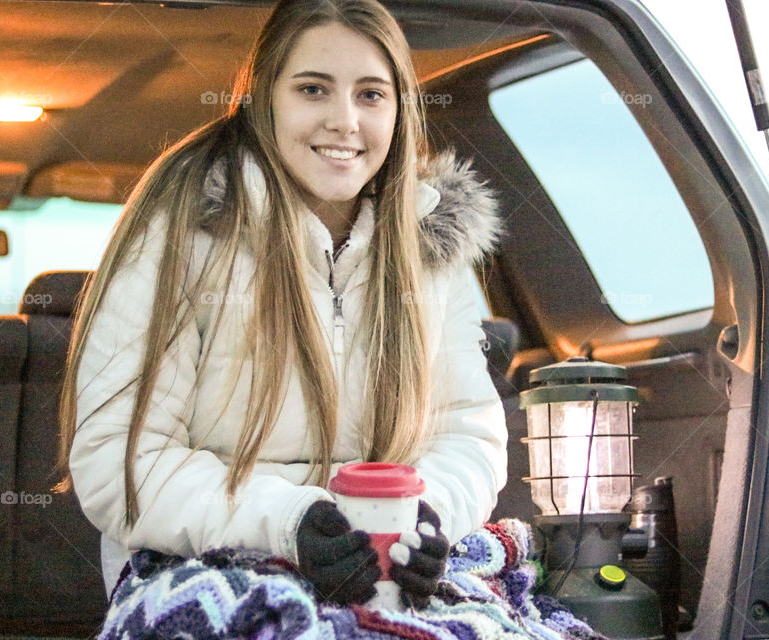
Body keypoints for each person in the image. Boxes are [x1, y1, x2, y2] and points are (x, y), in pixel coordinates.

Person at [55, 0, 507, 615]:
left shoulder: (427, 247)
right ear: (264, 98)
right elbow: (119, 461)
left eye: (371, 95)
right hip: (199, 563)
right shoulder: (186, 230)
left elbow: (466, 431)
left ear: (400, 111)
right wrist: (289, 523)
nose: (345, 121)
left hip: (381, 570)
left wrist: (429, 517)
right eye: (313, 89)